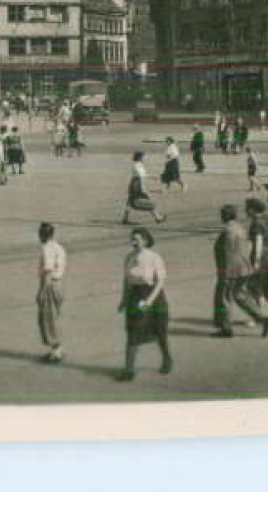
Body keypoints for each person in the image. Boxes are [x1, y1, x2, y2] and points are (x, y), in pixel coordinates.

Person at [117, 227, 172, 380]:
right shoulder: (129, 258)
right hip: (135, 296)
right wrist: (123, 300)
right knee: (132, 332)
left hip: (154, 297)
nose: (133, 242)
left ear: (146, 241)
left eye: (137, 239)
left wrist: (149, 301)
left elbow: (160, 282)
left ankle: (167, 359)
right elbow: (126, 281)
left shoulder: (155, 258)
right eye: (132, 239)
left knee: (160, 332)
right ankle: (129, 370)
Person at [212, 204, 268, 337]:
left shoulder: (227, 231)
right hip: (244, 268)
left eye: (222, 215)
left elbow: (227, 251)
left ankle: (226, 329)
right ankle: (262, 318)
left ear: (225, 216)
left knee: (224, 298)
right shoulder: (241, 228)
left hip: (230, 270)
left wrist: (223, 271)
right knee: (241, 296)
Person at [36, 222, 67, 364]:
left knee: (48, 319)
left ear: (42, 234)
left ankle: (57, 351)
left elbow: (48, 271)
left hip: (50, 284)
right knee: (54, 317)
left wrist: (41, 291)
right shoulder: (59, 247)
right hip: (59, 284)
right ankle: (56, 349)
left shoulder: (46, 248)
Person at [123, 151, 165, 225]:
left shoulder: (139, 165)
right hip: (136, 186)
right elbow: (141, 176)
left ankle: (157, 218)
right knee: (139, 201)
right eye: (144, 156)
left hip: (137, 184)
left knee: (129, 202)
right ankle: (158, 218)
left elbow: (143, 175)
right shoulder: (136, 165)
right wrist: (152, 178)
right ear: (140, 157)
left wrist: (153, 177)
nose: (146, 158)